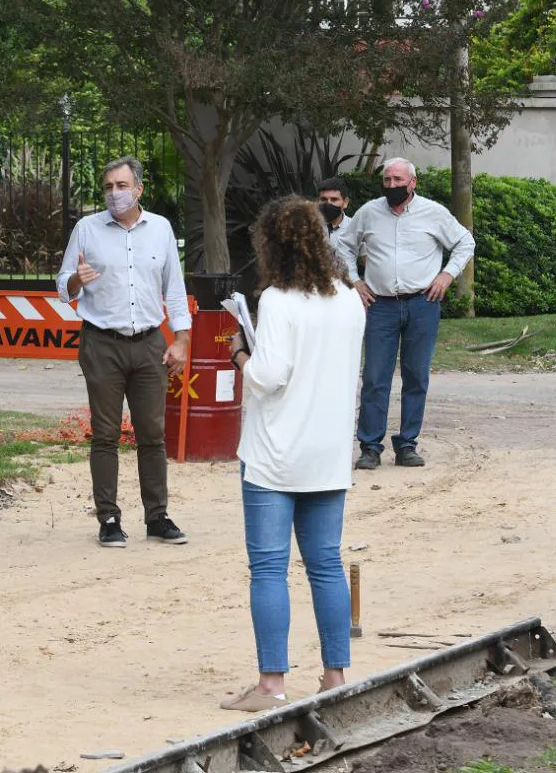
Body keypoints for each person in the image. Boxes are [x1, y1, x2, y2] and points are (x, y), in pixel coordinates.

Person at [219, 196, 365, 712]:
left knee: (269, 568)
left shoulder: (277, 301)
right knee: (325, 563)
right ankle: (335, 675)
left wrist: (240, 350)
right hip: (329, 449)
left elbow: (268, 375)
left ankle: (271, 684)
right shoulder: (349, 299)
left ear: (271, 245)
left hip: (276, 451)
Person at [56, 156, 192, 548]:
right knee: (106, 434)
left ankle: (157, 516)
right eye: (108, 187)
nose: (114, 194)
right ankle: (109, 518)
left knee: (152, 433)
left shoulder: (161, 229)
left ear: (139, 189)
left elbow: (175, 289)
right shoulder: (87, 229)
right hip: (102, 343)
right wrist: (76, 283)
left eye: (121, 186)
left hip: (150, 342)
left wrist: (180, 339)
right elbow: (63, 285)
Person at [336, 157, 475, 470]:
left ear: (413, 182)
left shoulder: (434, 213)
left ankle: (407, 444)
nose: (392, 186)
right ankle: (370, 447)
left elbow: (465, 241)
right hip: (380, 304)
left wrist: (447, 275)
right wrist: (354, 281)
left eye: (398, 180)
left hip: (421, 303)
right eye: (387, 180)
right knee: (374, 377)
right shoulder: (369, 212)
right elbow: (343, 245)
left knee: (416, 376)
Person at [316, 177, 351, 249]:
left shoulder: (355, 228)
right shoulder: (309, 228)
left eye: (334, 199)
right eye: (323, 199)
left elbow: (366, 258)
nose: (328, 203)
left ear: (345, 202)